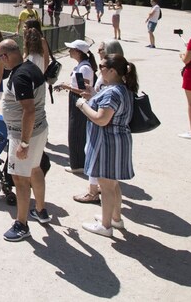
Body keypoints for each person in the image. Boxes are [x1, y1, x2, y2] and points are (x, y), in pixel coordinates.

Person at [0, 39, 50, 241]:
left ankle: (22, 224)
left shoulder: (20, 76)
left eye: (0, 58)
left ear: (6, 56)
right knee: (35, 168)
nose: (1, 62)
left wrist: (23, 144)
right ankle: (41, 210)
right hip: (39, 130)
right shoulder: (32, 67)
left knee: (19, 178)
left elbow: (28, 110)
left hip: (24, 134)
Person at [75, 54, 137, 237]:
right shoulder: (122, 89)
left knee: (106, 186)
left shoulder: (112, 91)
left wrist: (82, 105)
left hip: (107, 143)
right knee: (113, 184)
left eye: (102, 66)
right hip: (118, 141)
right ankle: (115, 218)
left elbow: (101, 119)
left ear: (112, 71)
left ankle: (105, 225)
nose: (99, 69)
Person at [74, 39, 125, 204]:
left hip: (103, 129)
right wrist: (93, 94)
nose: (98, 52)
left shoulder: (112, 84)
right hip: (108, 128)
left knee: (97, 162)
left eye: (101, 49)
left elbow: (102, 114)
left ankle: (94, 194)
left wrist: (83, 104)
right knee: (110, 181)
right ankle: (112, 217)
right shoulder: (115, 78)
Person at [54, 40, 96, 174]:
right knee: (75, 130)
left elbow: (84, 90)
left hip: (79, 100)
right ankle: (77, 162)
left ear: (78, 52)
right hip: (75, 99)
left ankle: (78, 164)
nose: (69, 51)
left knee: (76, 131)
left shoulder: (84, 68)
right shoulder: (81, 66)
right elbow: (79, 85)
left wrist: (66, 86)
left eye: (72, 49)